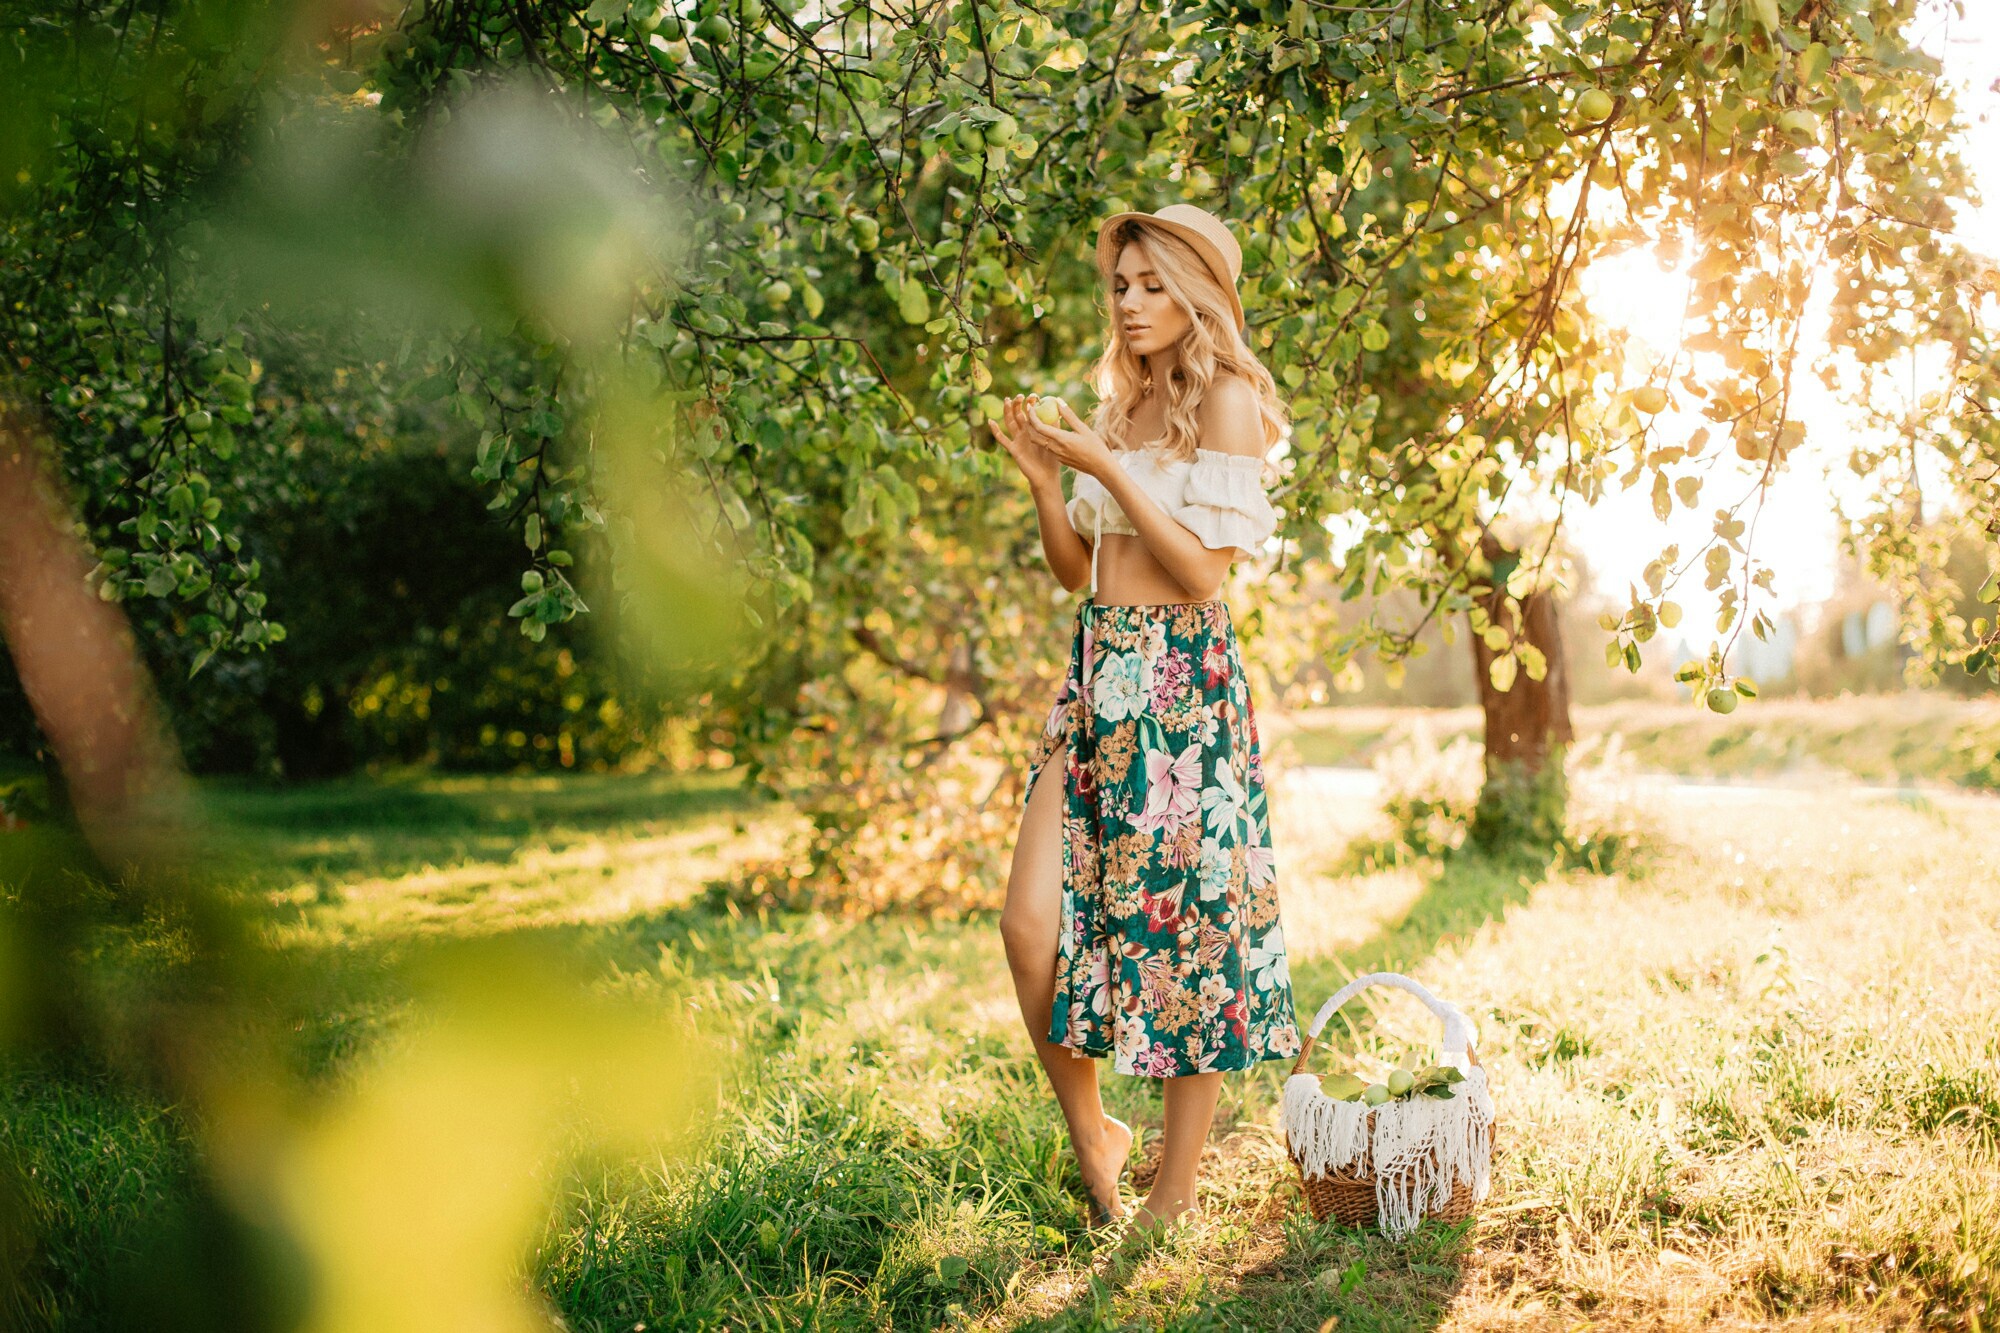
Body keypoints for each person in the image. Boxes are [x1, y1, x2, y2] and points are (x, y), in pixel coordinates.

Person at [988, 202, 1303, 1246]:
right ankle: (1093, 1133)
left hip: (1178, 691)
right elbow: (1082, 572)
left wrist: (1104, 468)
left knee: (1184, 935)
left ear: (1198, 290)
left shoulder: (1227, 404)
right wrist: (1048, 482)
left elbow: (1205, 577)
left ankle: (1175, 1192)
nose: (1128, 304)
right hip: (1093, 681)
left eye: (1151, 285)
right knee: (1027, 923)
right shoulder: (1118, 403)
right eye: (1119, 285)